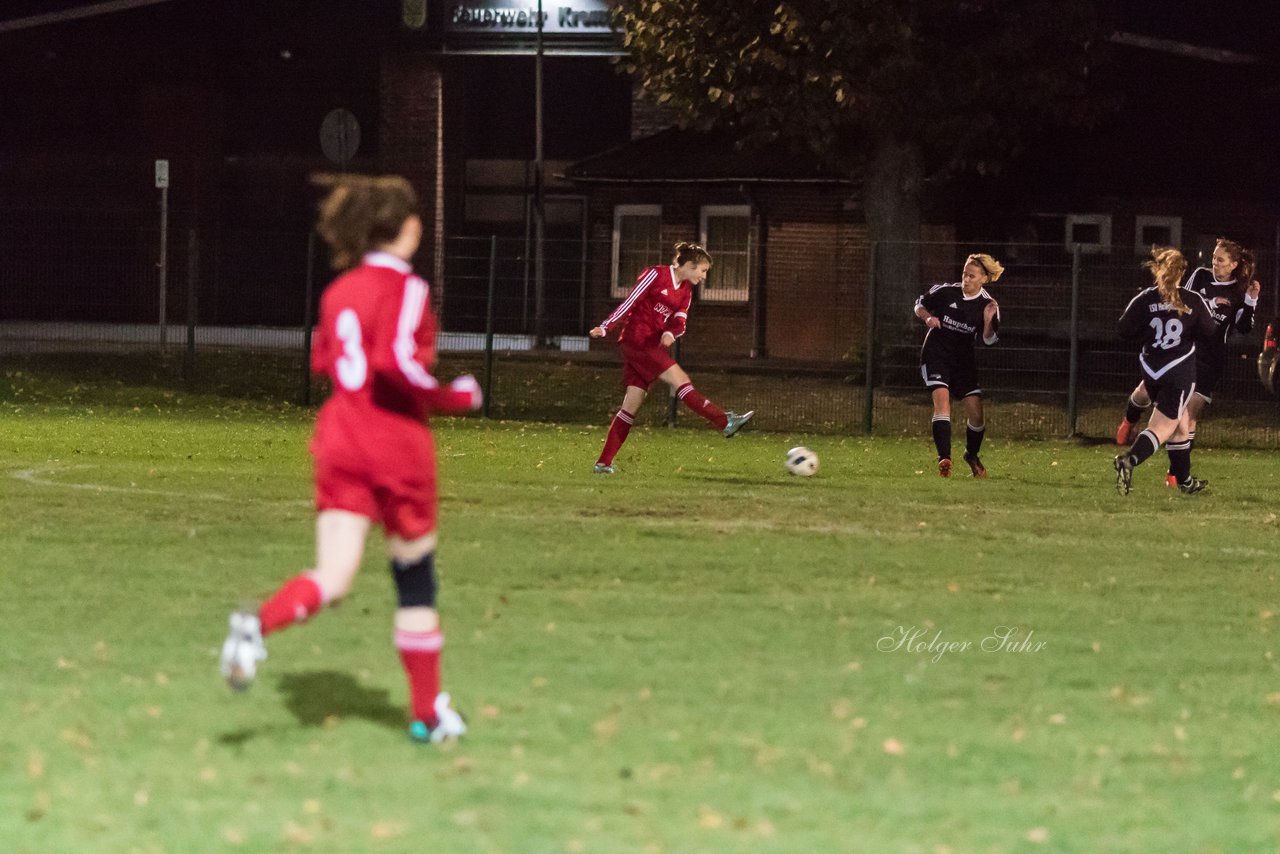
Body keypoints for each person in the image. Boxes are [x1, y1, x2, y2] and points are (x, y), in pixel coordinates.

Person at [219, 174, 481, 744]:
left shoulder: (338, 293)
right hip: (394, 444)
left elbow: (327, 363)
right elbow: (396, 366)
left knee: (334, 575)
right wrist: (453, 396)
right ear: (407, 228)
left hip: (340, 438)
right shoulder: (407, 287)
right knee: (415, 581)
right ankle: (426, 715)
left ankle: (254, 627)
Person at [588, 241, 754, 473]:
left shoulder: (686, 291)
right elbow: (631, 300)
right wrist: (606, 326)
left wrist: (670, 331)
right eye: (703, 270)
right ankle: (725, 422)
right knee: (680, 379)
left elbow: (680, 323)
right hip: (637, 340)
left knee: (630, 405)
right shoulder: (655, 274)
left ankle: (603, 463)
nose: (704, 277)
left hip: (652, 345)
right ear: (688, 265)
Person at [1115, 238, 1262, 485]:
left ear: (1234, 264)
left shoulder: (1240, 291)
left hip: (1208, 360)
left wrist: (1251, 302)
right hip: (1182, 352)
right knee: (1148, 398)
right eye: (1214, 257)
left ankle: (1176, 475)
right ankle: (1129, 424)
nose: (1215, 263)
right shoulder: (1200, 276)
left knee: (1188, 416)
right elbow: (1182, 301)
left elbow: (1244, 327)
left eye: (1221, 259)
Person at [1113, 247, 1219, 495]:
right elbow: (1210, 331)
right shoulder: (1192, 300)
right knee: (1163, 428)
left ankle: (1185, 482)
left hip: (1151, 369)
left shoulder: (1145, 298)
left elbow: (1123, 330)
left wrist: (1148, 335)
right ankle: (1128, 461)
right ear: (1182, 272)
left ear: (1158, 270)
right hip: (1178, 371)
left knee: (1181, 426)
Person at [912, 253, 1003, 477]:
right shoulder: (945, 292)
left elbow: (989, 339)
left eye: (972, 276)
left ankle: (971, 454)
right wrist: (927, 318)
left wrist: (989, 322)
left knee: (977, 417)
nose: (966, 279)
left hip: (963, 362)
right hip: (936, 355)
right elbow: (919, 305)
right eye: (964, 273)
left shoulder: (988, 305)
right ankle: (945, 459)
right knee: (942, 405)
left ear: (984, 278)